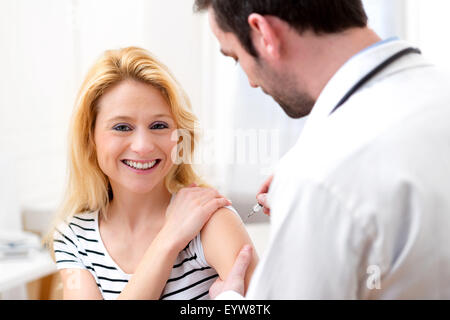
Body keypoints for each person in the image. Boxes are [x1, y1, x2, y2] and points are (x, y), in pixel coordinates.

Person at [194, 0, 450, 299]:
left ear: (263, 33)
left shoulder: (319, 175)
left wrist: (228, 300)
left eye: (236, 57)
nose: (250, 82)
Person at [43, 46, 258, 300]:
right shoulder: (75, 237)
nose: (143, 146)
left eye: (159, 125)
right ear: (90, 138)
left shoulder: (209, 219)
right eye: (122, 127)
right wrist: (170, 238)